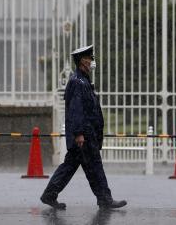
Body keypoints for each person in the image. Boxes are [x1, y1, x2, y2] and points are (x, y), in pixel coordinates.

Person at [41, 45, 127, 210]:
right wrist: (79, 133)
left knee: (70, 166)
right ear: (82, 61)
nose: (92, 61)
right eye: (89, 58)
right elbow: (76, 109)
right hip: (84, 135)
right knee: (94, 166)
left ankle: (49, 194)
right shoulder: (78, 82)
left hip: (87, 133)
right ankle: (105, 199)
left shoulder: (83, 81)